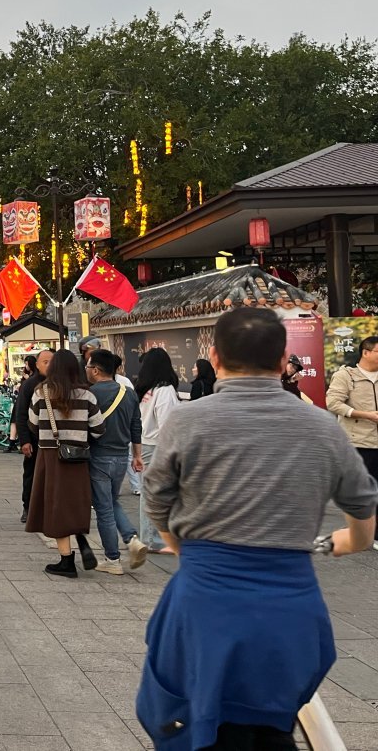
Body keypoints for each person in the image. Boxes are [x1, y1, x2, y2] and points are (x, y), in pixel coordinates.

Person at [137, 307, 378, 751]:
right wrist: (339, 543)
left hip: (204, 601)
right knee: (271, 726)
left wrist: (188, 551)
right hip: (290, 604)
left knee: (196, 721)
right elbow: (363, 518)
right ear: (284, 359)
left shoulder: (188, 421)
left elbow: (156, 503)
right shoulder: (322, 428)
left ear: (215, 356)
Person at [26, 349, 105, 577]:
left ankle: (66, 560)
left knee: (55, 504)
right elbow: (99, 429)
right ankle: (80, 540)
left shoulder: (41, 392)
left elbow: (32, 423)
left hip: (49, 457)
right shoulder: (87, 395)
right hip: (77, 457)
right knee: (75, 503)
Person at [84, 350, 148, 575]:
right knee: (111, 501)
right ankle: (131, 539)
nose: (86, 370)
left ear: (96, 370)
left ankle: (113, 558)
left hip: (98, 456)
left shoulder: (90, 394)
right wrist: (137, 455)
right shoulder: (128, 393)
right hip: (122, 457)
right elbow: (136, 425)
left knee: (104, 509)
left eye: (88, 366)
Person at [325, 335, 378, 547]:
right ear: (366, 352)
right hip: (360, 443)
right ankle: (367, 533)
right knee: (365, 492)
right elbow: (333, 403)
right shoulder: (346, 375)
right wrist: (366, 415)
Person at [135, 348, 181, 553]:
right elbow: (167, 424)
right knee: (156, 494)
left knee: (148, 492)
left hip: (144, 443)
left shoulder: (146, 390)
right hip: (157, 445)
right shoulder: (165, 390)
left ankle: (149, 537)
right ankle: (152, 539)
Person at [14, 350, 52, 524]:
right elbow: (21, 413)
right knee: (31, 474)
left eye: (52, 361)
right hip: (34, 439)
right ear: (36, 364)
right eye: (45, 362)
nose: (49, 365)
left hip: (53, 441)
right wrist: (25, 440)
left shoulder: (59, 383)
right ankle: (28, 507)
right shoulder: (30, 384)